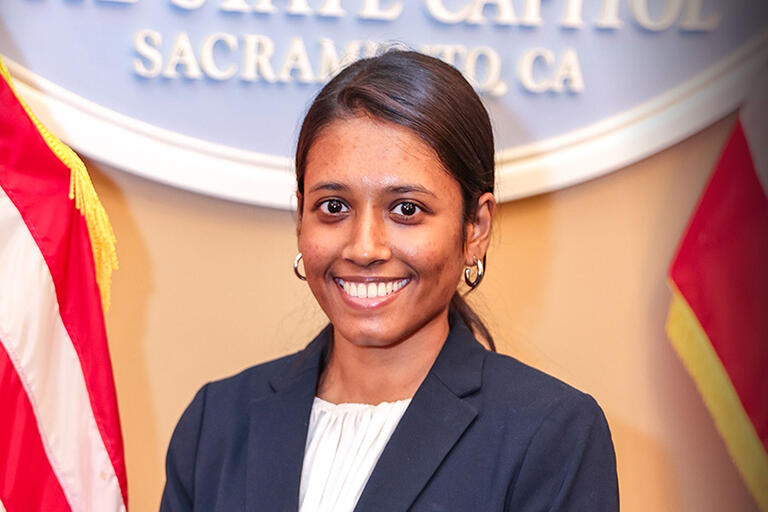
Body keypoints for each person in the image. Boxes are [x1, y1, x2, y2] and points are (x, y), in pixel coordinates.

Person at [160, 50, 619, 511]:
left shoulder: (550, 433)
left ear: (475, 228)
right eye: (334, 206)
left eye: (406, 209)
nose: (364, 248)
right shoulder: (215, 423)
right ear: (301, 217)